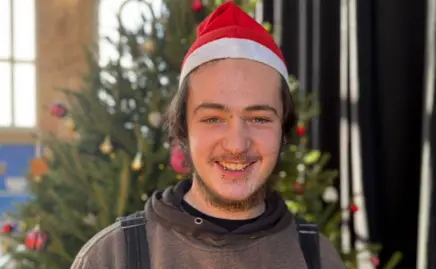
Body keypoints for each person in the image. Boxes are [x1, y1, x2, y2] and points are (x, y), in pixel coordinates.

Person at [72, 1, 344, 268]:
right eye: (213, 119)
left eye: (259, 118)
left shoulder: (317, 257)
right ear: (183, 129)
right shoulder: (110, 257)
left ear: (283, 129)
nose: (237, 144)